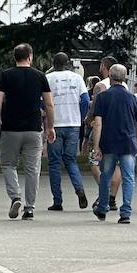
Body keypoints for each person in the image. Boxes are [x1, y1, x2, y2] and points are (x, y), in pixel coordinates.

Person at [0, 44, 54, 220]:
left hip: (11, 127)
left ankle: (15, 196)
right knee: (32, 169)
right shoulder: (40, 76)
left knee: (8, 164)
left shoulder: (6, 75)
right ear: (30, 57)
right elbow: (49, 104)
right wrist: (50, 126)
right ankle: (29, 208)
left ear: (15, 57)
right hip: (33, 128)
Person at [89, 65, 137, 224]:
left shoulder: (103, 97)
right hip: (127, 143)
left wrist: (96, 147)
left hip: (109, 143)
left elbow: (97, 123)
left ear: (110, 77)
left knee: (105, 176)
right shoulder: (131, 98)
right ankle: (125, 212)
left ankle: (103, 208)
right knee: (129, 177)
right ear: (125, 78)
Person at [44, 53, 91, 211]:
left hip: (55, 124)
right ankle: (79, 188)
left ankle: (57, 200)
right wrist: (81, 116)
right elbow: (85, 100)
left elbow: (42, 100)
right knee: (71, 160)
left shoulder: (48, 78)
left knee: (54, 163)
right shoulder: (77, 78)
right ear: (68, 64)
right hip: (73, 124)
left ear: (54, 63)